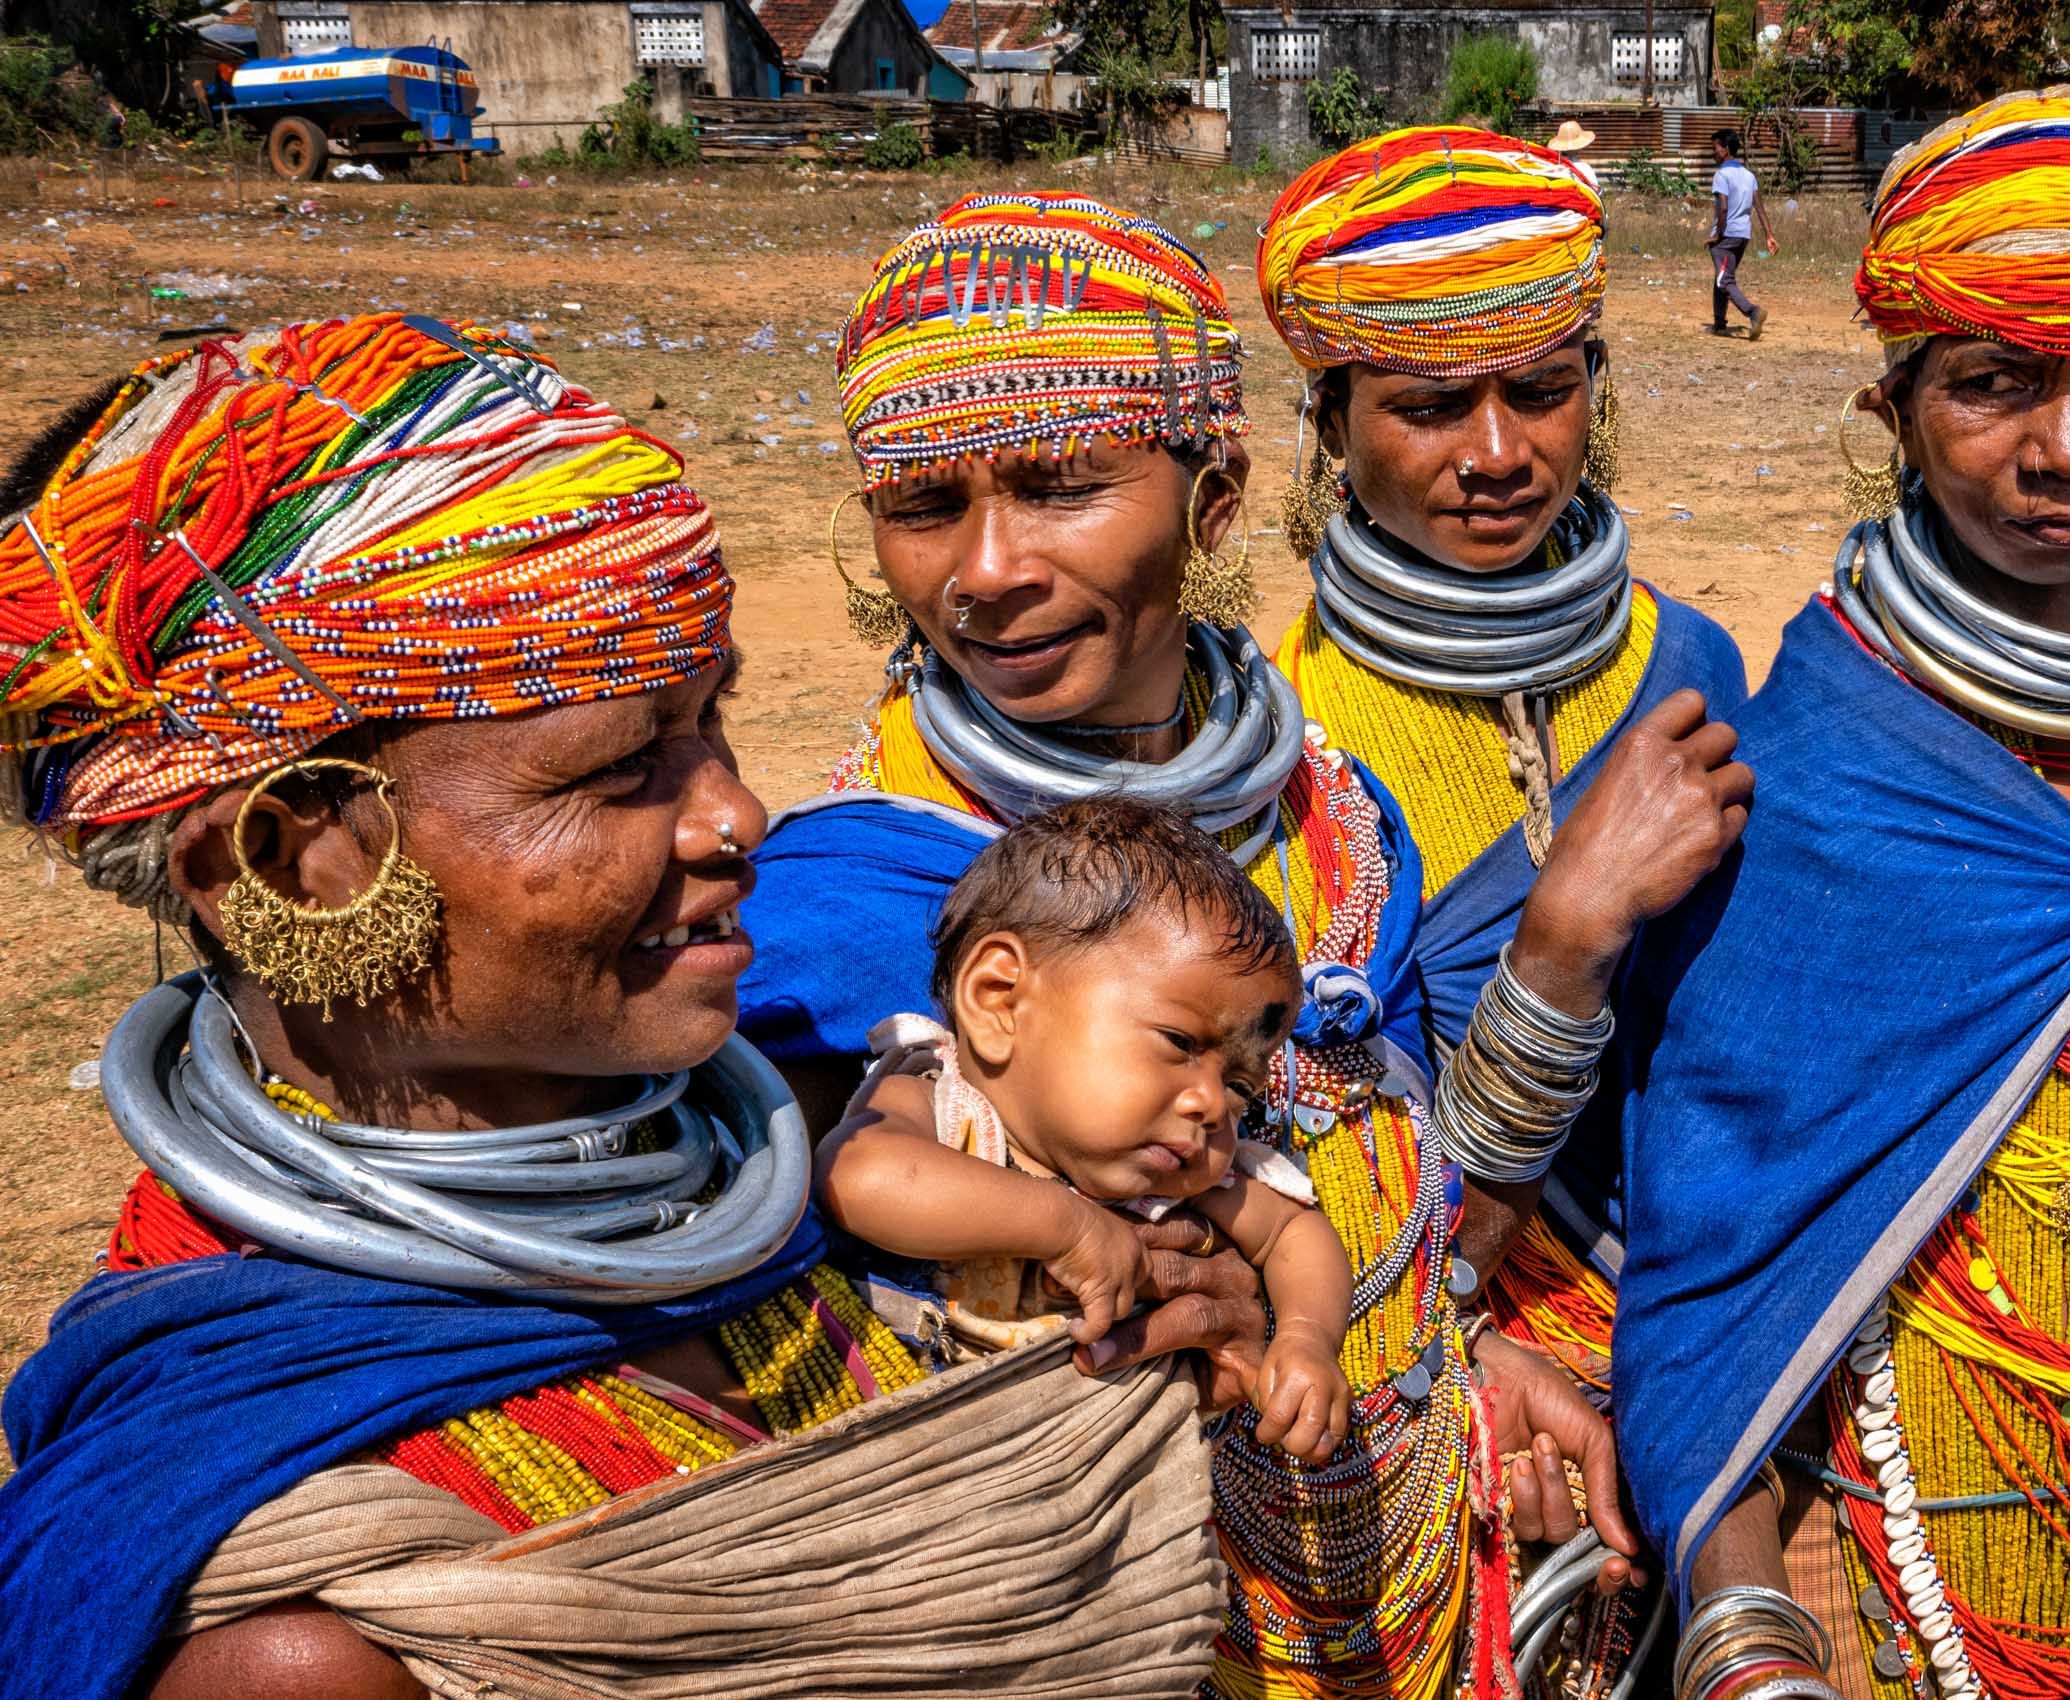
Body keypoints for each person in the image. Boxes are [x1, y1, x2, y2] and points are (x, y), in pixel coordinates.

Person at [0, 315, 1221, 1700]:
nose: (737, 816)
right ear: (292, 859)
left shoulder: (845, 1143)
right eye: (619, 767)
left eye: (713, 720)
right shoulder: (305, 1646)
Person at [740, 190, 1743, 1699]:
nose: (986, 568)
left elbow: (1408, 1172)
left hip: (1409, 1549)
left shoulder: (1337, 813)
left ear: (1214, 496)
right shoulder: (857, 901)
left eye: (1059, 485)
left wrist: (1459, 1359)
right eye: (925, 505)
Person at [1609, 87, 2070, 1700]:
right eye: (1990, 387)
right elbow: (1720, 1235)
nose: (2067, 450)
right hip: (1895, 1544)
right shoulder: (1811, 767)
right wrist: (1748, 1622)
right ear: (1894, 407)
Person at [1256, 120, 1750, 1399]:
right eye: (1424, 407)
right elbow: (1309, 1180)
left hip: (1719, 1307)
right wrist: (1565, 936)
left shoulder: (1690, 658)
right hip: (1450, 1345)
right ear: (1329, 422)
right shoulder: (1288, 744)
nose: (1495, 454)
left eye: (1540, 390)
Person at [817, 797, 1356, 1462]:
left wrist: (1304, 1337)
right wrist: (1066, 1226)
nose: (1212, 1105)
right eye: (1180, 1042)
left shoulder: (1165, 1185)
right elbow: (855, 1175)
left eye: (1241, 1086)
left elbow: (1296, 1233)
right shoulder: (940, 1108)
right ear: (999, 1001)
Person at [1708, 126, 1777, 339]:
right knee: (1723, 276)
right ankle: (1719, 323)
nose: (1714, 153)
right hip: (1743, 235)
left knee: (1724, 280)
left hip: (1727, 235)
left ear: (1726, 149)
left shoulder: (1722, 175)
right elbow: (1759, 206)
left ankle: (1753, 312)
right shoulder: (1749, 176)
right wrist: (1769, 234)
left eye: (1716, 148)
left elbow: (1724, 208)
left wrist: (1716, 235)